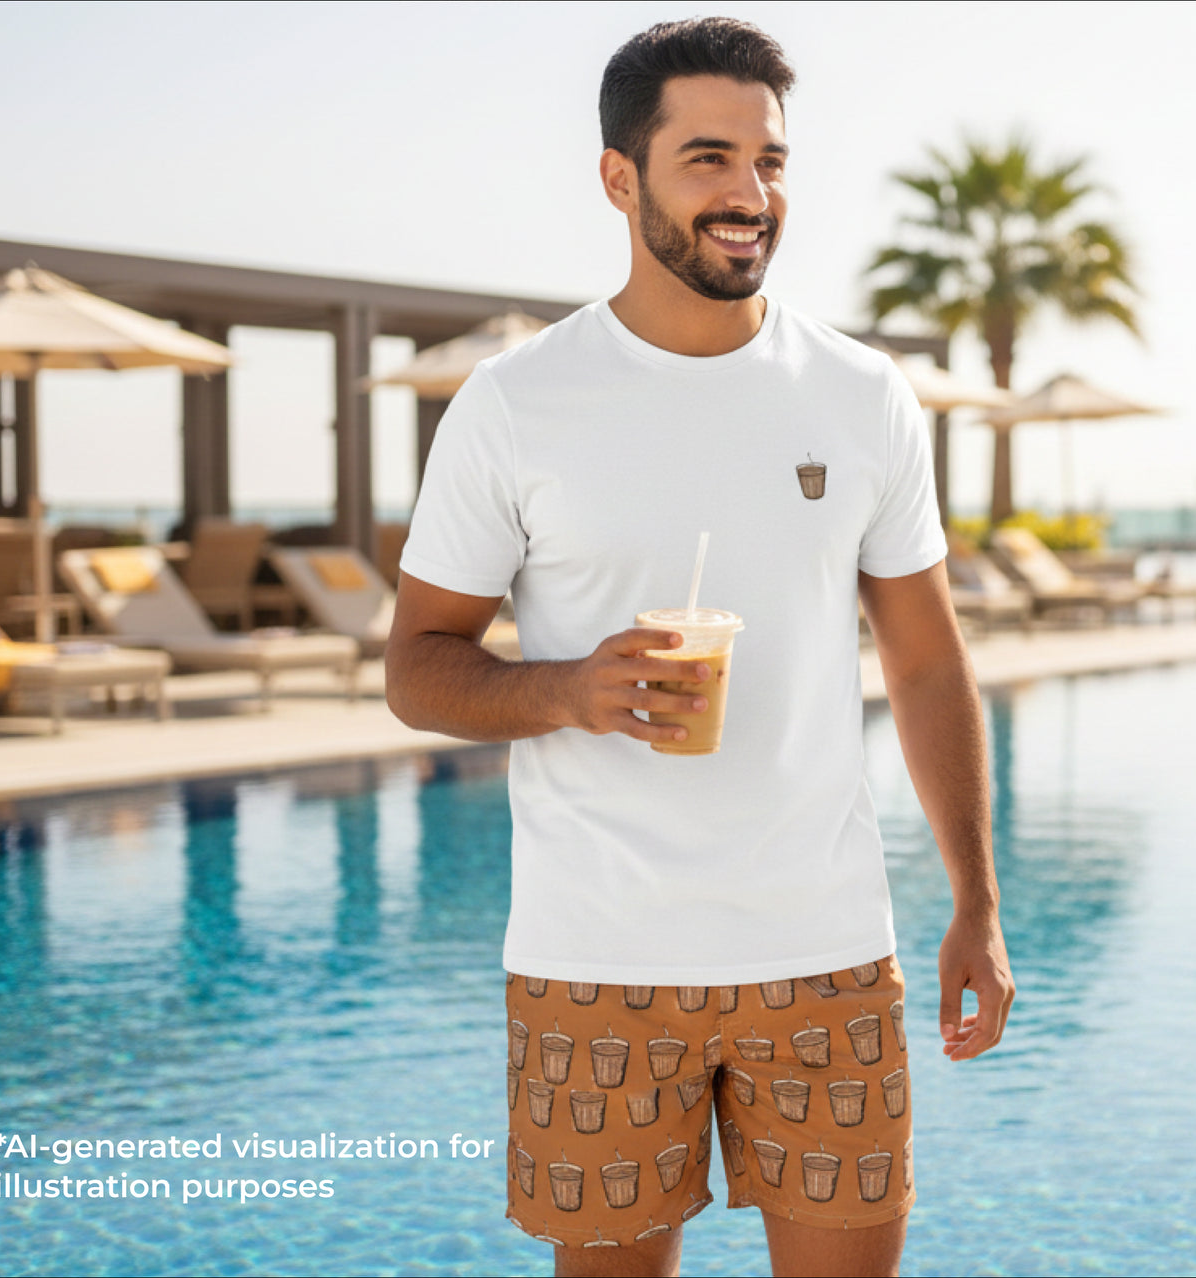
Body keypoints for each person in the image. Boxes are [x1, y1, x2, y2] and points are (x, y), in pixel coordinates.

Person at [384, 17, 1013, 1278]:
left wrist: (976, 905)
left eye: (770, 162)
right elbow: (416, 667)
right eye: (709, 158)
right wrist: (568, 687)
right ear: (619, 178)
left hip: (826, 956)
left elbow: (930, 663)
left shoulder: (860, 393)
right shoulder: (512, 405)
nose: (749, 195)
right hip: (593, 966)